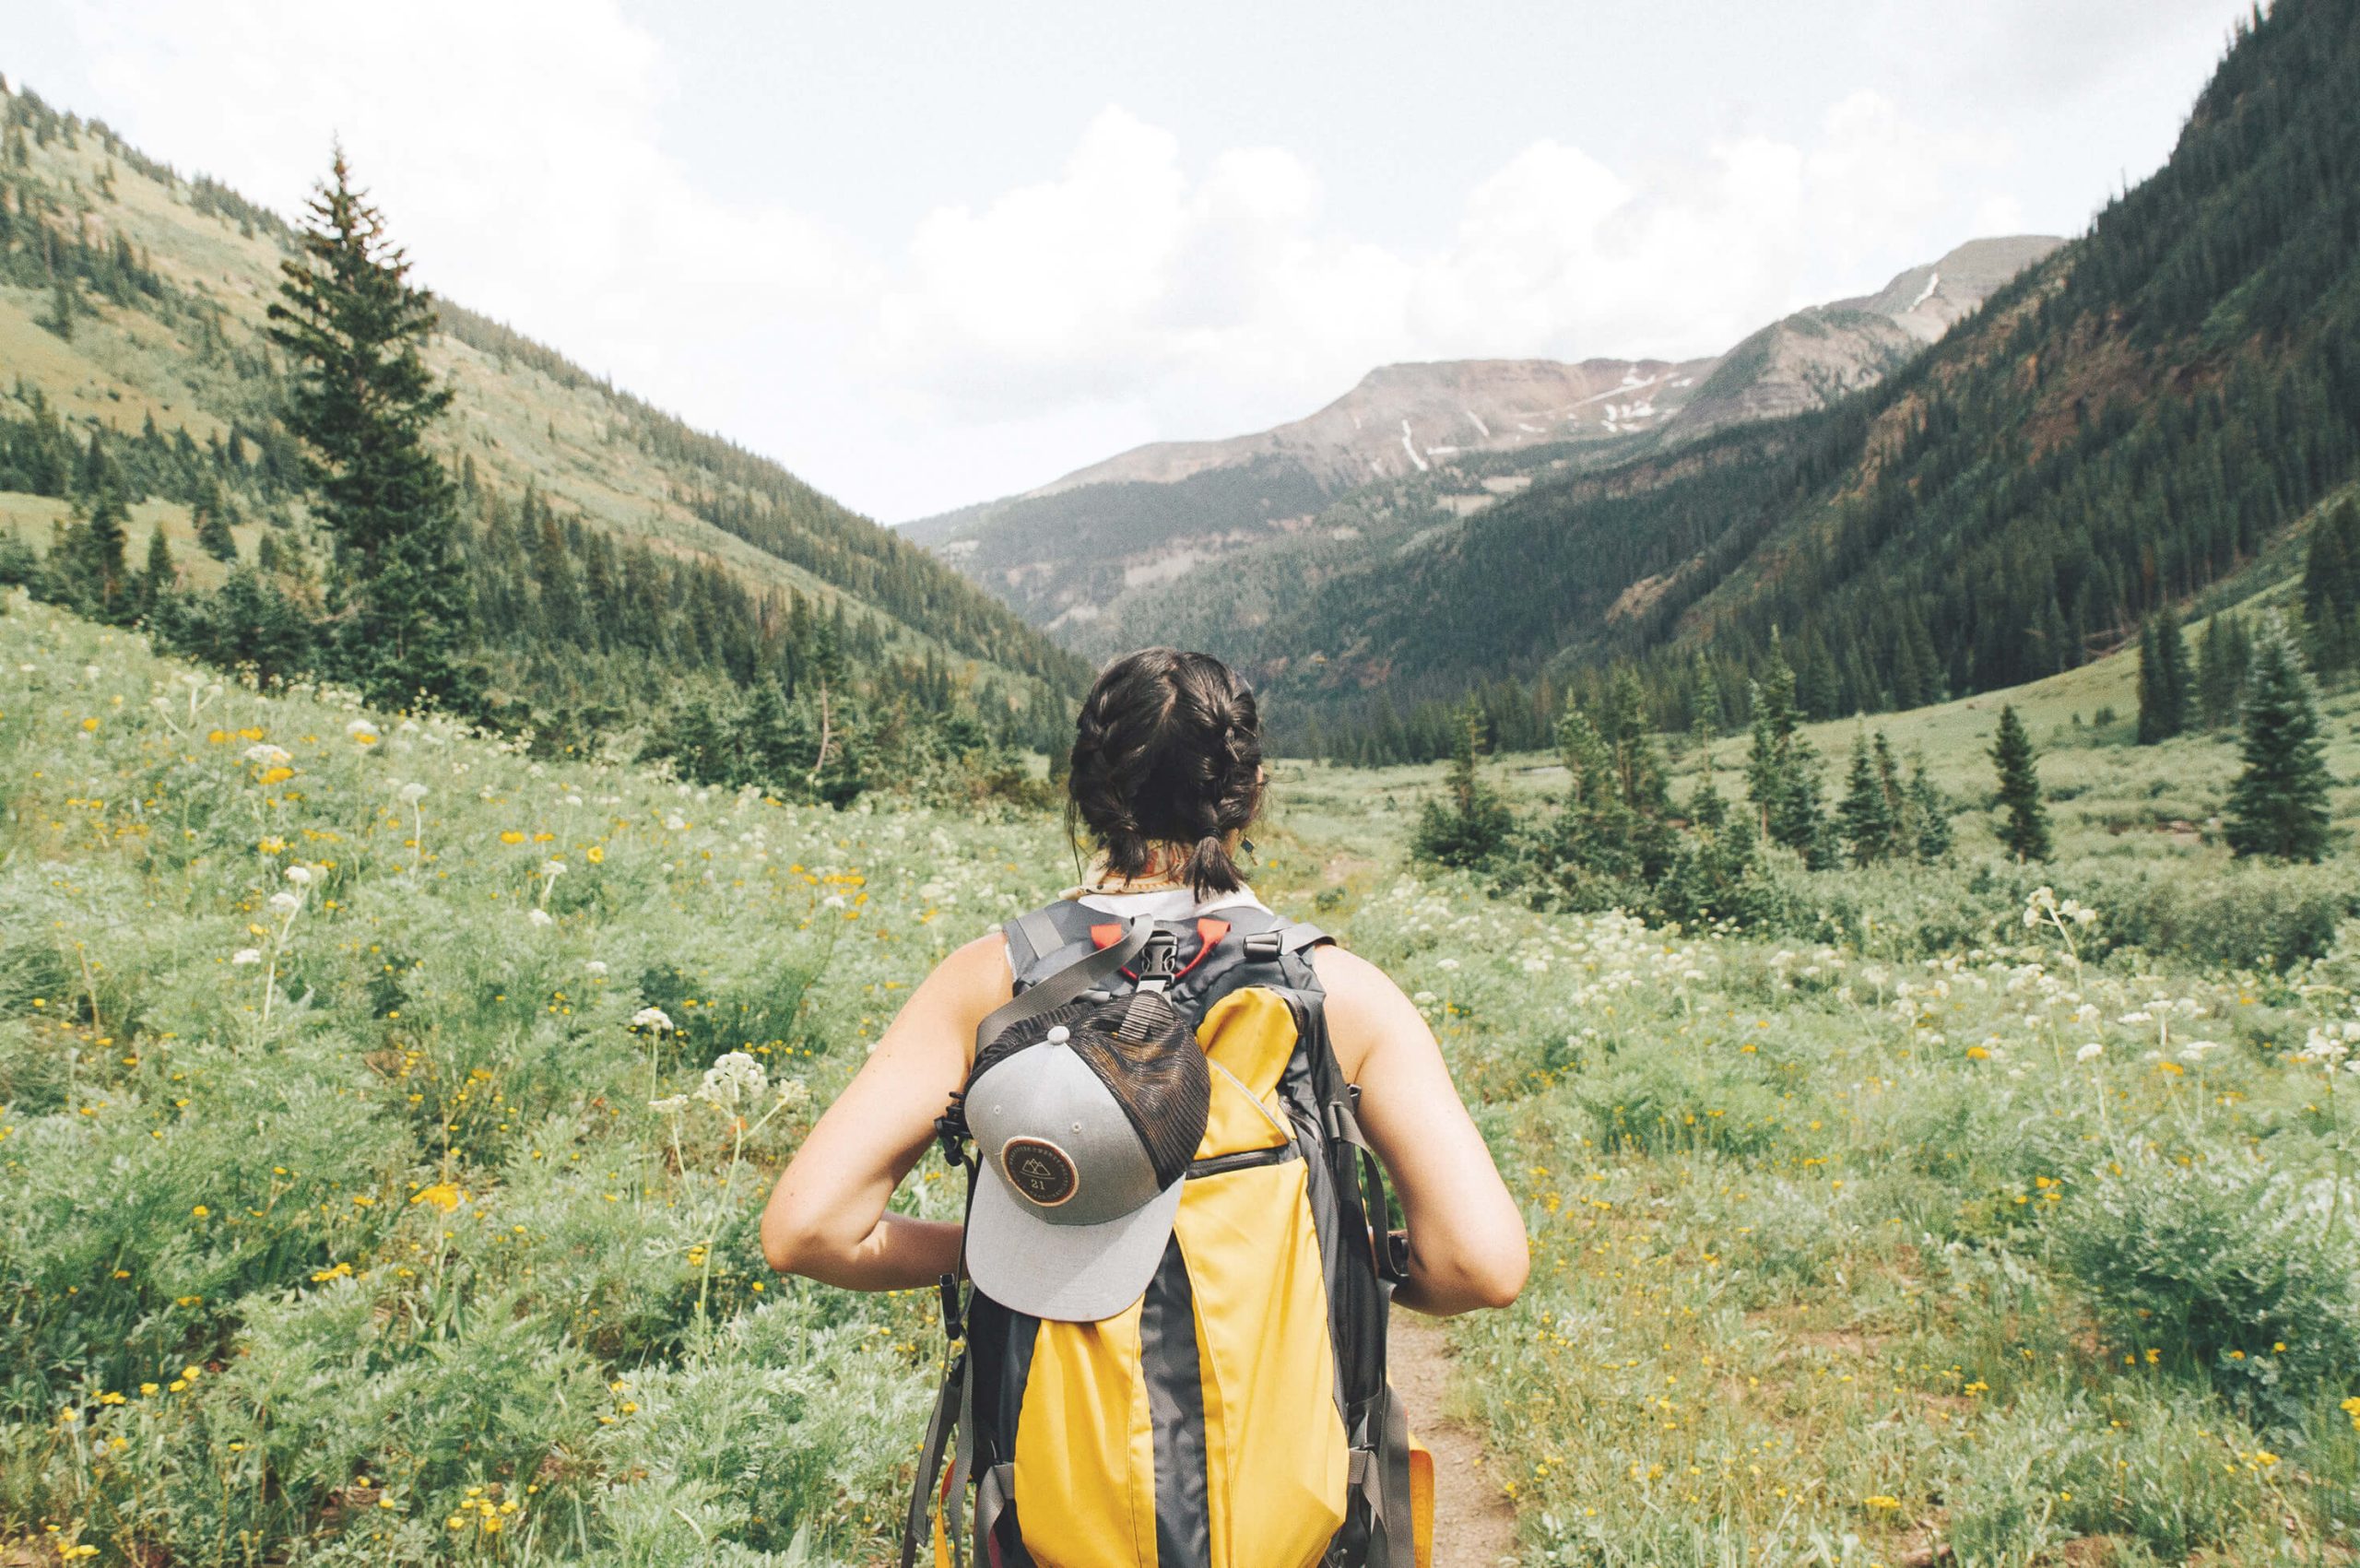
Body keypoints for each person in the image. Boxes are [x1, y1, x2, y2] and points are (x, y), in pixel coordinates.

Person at [761, 646, 1526, 1565]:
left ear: (1085, 792)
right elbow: (1483, 1267)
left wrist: (1004, 1249)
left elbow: (808, 1229)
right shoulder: (1339, 993)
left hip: (1059, 1526)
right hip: (1298, 1529)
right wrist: (1352, 1262)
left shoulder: (991, 982)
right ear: (1250, 792)